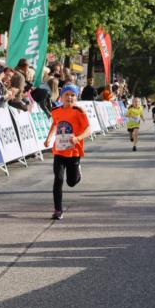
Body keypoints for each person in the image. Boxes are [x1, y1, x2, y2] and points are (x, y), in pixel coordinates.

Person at [44, 85, 92, 220]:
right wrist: (49, 138)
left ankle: (78, 173)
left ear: (76, 97)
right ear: (62, 96)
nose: (70, 97)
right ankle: (58, 210)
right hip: (59, 150)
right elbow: (55, 124)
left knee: (71, 182)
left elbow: (88, 129)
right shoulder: (56, 110)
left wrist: (78, 138)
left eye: (73, 95)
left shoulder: (79, 111)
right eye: (67, 95)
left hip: (74, 151)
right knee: (58, 179)